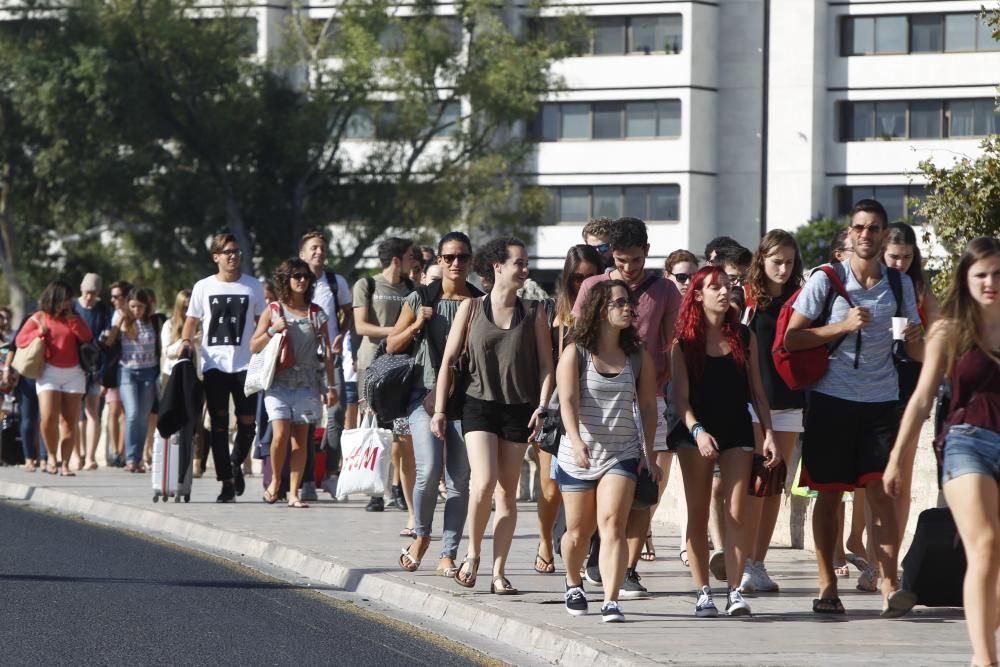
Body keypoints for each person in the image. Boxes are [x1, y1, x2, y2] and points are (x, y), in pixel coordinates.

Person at [784, 198, 923, 614]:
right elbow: (792, 338)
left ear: (884, 235)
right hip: (832, 400)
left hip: (882, 402)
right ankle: (827, 585)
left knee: (882, 493)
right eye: (860, 228)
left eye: (874, 228)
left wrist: (916, 336)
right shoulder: (826, 280)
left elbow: (916, 355)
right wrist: (841, 326)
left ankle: (888, 583)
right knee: (829, 495)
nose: (866, 235)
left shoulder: (898, 284)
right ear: (850, 233)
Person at [883, 238, 1000, 662]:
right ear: (965, 279)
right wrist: (898, 458)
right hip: (966, 442)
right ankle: (986, 659)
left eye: (997, 274)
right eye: (981, 274)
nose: (990, 282)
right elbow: (921, 398)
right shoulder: (950, 330)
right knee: (984, 544)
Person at [433, 237, 554, 595]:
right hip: (477, 404)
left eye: (526, 263)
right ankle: (472, 555)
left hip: (518, 409)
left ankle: (499, 571)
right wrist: (440, 410)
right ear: (498, 266)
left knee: (507, 495)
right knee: (482, 482)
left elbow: (548, 366)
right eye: (519, 262)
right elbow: (447, 364)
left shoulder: (534, 312)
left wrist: (543, 407)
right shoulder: (470, 309)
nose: (525, 269)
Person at [573, 217, 681, 599]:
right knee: (598, 493)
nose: (628, 268)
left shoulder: (665, 290)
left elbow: (674, 343)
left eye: (635, 260)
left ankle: (628, 567)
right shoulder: (593, 287)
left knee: (647, 486)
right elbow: (577, 339)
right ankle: (596, 553)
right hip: (600, 396)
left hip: (651, 395)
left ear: (647, 253)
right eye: (620, 260)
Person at [670, 265, 780, 617]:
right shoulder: (683, 344)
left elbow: (758, 393)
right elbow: (681, 402)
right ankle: (703, 591)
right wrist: (698, 431)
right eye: (714, 287)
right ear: (698, 295)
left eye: (726, 286)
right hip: (695, 433)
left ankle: (734, 590)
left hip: (736, 427)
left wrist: (770, 435)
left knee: (737, 512)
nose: (724, 291)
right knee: (699, 514)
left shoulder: (744, 336)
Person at [557, 280, 661, 622]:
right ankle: (574, 584)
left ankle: (611, 600)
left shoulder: (637, 356)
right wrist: (575, 440)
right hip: (580, 453)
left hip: (622, 452)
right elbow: (568, 402)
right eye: (620, 303)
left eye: (629, 303)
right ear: (601, 309)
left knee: (613, 525)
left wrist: (647, 452)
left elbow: (647, 406)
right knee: (577, 532)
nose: (628, 308)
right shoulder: (576, 352)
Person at [390, 232, 483, 575]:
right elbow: (392, 346)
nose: (456, 263)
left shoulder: (480, 303)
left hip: (467, 400)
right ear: (439, 261)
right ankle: (422, 536)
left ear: (471, 261)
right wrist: (418, 323)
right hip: (423, 397)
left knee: (460, 480)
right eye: (449, 257)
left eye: (462, 257)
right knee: (428, 472)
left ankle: (448, 553)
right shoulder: (419, 299)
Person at [739, 230, 805, 593]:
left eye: (789, 262)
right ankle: (743, 560)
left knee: (775, 486)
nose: (782, 268)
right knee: (755, 485)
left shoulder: (801, 301)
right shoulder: (748, 302)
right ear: (761, 259)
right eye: (776, 260)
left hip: (790, 403)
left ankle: (758, 563)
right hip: (752, 404)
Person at [180, 233, 266, 502]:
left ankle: (234, 463)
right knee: (217, 426)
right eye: (228, 252)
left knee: (247, 424)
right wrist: (185, 343)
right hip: (214, 365)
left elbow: (262, 321)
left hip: (246, 365)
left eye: (237, 252)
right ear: (216, 256)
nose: (234, 256)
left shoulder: (253, 287)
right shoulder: (203, 287)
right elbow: (191, 322)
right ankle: (226, 482)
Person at [535, 244, 602, 575]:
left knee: (587, 483)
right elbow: (545, 365)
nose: (584, 285)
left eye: (591, 277)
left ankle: (581, 545)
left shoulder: (607, 310)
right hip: (555, 404)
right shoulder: (550, 311)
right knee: (550, 487)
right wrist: (540, 406)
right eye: (577, 278)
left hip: (597, 404)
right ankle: (546, 539)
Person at [251, 258, 337, 508]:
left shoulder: (316, 312)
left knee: (301, 440)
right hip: (278, 384)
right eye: (296, 275)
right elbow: (253, 345)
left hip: (308, 384)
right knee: (280, 435)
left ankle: (294, 492)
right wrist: (271, 331)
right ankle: (276, 481)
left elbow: (328, 352)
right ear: (285, 279)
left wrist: (330, 386)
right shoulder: (274, 310)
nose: (302, 280)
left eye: (306, 276)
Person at [883, 221, 940, 549]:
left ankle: (892, 553)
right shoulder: (870, 282)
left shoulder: (918, 285)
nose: (899, 263)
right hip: (874, 377)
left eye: (906, 256)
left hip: (909, 378)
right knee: (876, 475)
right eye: (893, 256)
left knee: (900, 473)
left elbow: (938, 330)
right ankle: (875, 555)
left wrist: (921, 334)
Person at [353, 237, 418, 522]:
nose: (413, 263)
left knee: (401, 432)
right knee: (374, 429)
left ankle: (400, 491)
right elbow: (362, 326)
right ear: (396, 260)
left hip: (403, 370)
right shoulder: (367, 285)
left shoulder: (412, 289)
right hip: (371, 366)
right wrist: (400, 330)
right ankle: (375, 492)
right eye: (409, 257)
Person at [13, 280, 93, 476]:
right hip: (48, 372)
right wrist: (38, 333)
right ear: (55, 298)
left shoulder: (74, 317)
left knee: (69, 420)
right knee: (48, 418)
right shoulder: (39, 317)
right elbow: (19, 340)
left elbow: (87, 337)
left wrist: (73, 320)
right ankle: (50, 455)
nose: (68, 302)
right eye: (65, 298)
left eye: (69, 299)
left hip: (74, 373)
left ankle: (65, 463)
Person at [300, 231, 353, 500]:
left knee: (336, 414)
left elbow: (349, 311)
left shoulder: (335, 281)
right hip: (305, 360)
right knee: (307, 419)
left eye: (322, 248)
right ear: (303, 254)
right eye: (313, 248)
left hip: (333, 357)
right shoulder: (297, 282)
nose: (318, 252)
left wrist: (341, 333)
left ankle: (330, 474)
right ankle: (307, 479)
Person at [102, 288, 159, 472]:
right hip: (127, 372)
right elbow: (109, 342)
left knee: (143, 417)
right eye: (133, 306)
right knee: (132, 413)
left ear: (147, 306)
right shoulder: (123, 320)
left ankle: (138, 459)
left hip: (149, 372)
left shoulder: (154, 321)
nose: (136, 310)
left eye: (140, 307)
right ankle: (130, 458)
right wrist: (119, 324)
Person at [73, 273, 111, 471]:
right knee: (75, 414)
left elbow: (107, 340)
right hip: (74, 365)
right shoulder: (72, 307)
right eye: (87, 293)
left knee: (92, 411)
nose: (89, 297)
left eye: (93, 294)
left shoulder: (103, 310)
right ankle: (77, 455)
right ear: (81, 288)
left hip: (95, 366)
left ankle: (90, 457)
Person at [103, 280, 132, 468]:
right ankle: (115, 450)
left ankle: (122, 452)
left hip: (130, 366)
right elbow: (109, 342)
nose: (113, 300)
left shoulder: (135, 314)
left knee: (126, 412)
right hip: (114, 367)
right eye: (112, 296)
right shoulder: (114, 315)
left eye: (117, 296)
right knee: (113, 410)